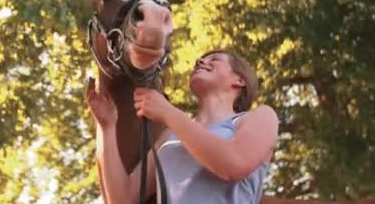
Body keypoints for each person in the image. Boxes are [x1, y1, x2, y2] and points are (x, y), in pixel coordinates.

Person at [86, 49, 279, 204]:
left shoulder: (259, 117)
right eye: (200, 60)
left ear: (240, 81)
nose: (201, 62)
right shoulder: (170, 136)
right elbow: (123, 199)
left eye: (215, 59)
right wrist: (106, 127)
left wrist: (168, 112)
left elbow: (233, 164)